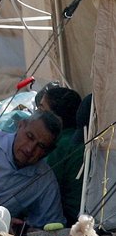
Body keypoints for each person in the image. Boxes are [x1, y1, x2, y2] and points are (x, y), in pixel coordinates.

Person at [37, 85, 84, 225]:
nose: (37, 114)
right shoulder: (76, 137)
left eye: (41, 109)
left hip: (66, 217)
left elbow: (41, 190)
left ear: (57, 118)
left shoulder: (60, 145)